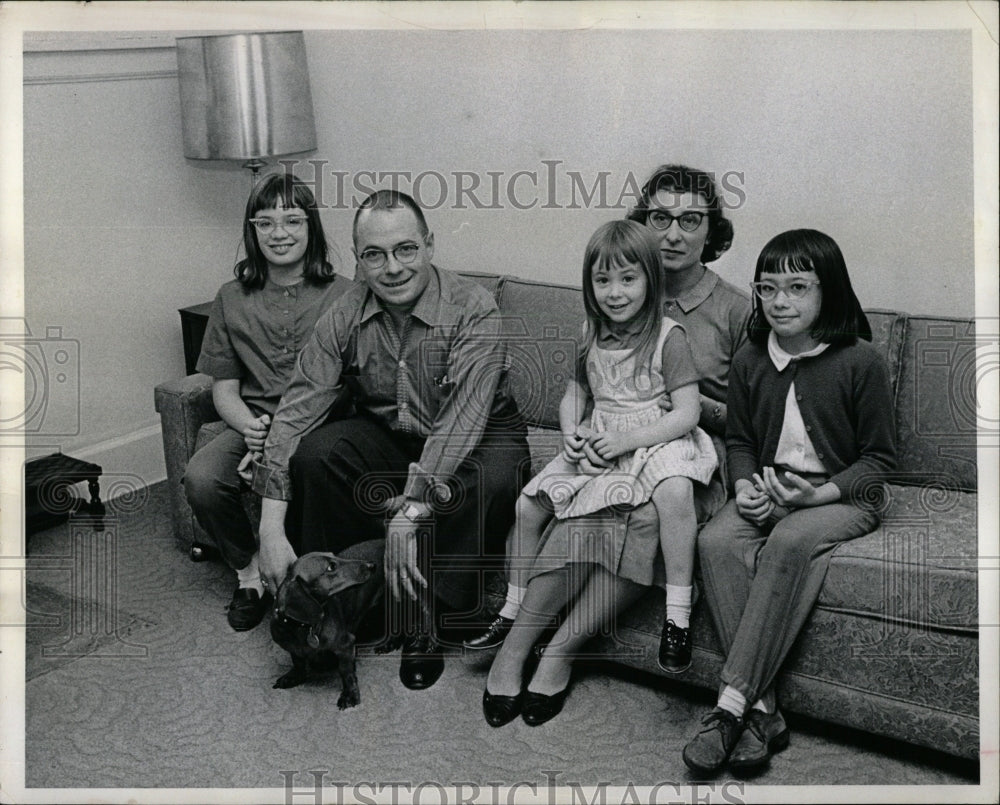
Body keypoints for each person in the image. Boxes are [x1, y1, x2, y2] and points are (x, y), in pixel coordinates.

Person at [474, 166, 750, 720]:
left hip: (685, 456)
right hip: (613, 447)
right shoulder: (609, 304)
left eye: (690, 220)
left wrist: (675, 409)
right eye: (659, 218)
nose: (672, 233)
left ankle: (560, 650)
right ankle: (517, 645)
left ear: (710, 231)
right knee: (585, 514)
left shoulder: (736, 310)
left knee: (640, 517)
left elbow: (749, 415)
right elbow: (582, 388)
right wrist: (590, 434)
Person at [252, 189, 529, 690]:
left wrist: (412, 508)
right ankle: (344, 603)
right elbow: (296, 411)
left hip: (481, 437)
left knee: (487, 480)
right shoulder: (343, 312)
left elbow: (462, 421)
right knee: (317, 455)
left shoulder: (474, 308)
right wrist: (270, 528)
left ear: (428, 245)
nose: (392, 268)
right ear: (358, 260)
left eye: (406, 250)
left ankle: (425, 623)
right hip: (393, 435)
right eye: (374, 255)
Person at [681, 229, 896, 775]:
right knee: (716, 538)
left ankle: (730, 705)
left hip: (842, 494)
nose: (780, 302)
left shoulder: (861, 361)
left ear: (830, 292)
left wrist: (820, 493)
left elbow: (879, 462)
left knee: (790, 540)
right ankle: (764, 711)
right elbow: (741, 442)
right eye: (768, 288)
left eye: (798, 287)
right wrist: (746, 486)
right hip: (772, 488)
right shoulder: (753, 357)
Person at [184, 172, 347, 631]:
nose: (280, 234)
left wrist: (278, 441)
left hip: (321, 422)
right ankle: (249, 575)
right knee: (202, 477)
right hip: (254, 424)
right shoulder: (230, 297)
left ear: (311, 227)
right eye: (266, 223)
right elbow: (224, 389)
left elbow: (347, 387)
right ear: (251, 231)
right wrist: (251, 429)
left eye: (293, 221)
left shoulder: (345, 294)